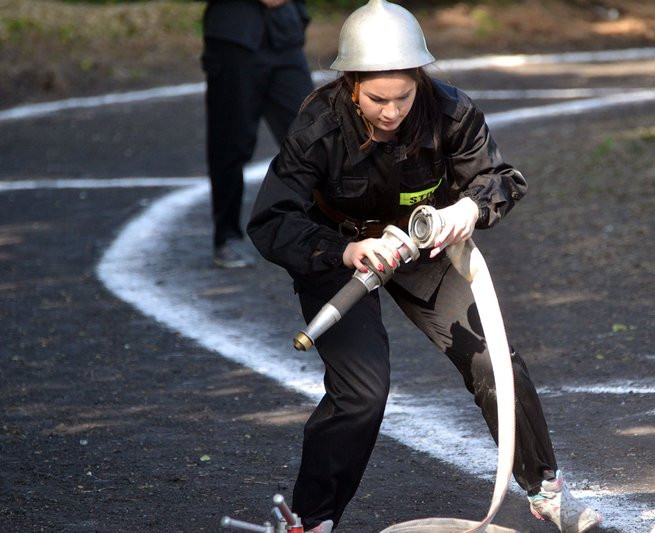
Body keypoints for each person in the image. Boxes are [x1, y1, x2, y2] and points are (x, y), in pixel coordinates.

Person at [246, 1, 603, 531]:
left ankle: (545, 489)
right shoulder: (317, 127)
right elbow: (272, 219)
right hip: (339, 251)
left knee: (493, 361)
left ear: (420, 78)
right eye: (377, 100)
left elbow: (500, 179)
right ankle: (312, 520)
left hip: (421, 245)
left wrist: (468, 210)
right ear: (351, 84)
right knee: (362, 392)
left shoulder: (451, 112)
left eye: (404, 97)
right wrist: (343, 252)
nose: (392, 112)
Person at [202, 0, 314, 268]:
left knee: (312, 136)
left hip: (285, 32)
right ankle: (226, 235)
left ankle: (321, 229)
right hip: (234, 35)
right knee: (230, 142)